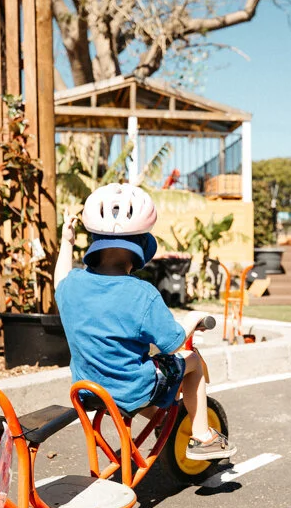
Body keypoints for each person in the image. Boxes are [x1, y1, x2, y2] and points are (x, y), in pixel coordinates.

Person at [54, 183, 236, 461]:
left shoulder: (72, 285)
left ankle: (163, 421)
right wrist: (192, 319)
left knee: (136, 364)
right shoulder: (142, 294)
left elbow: (60, 279)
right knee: (190, 362)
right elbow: (173, 344)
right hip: (130, 388)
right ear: (139, 249)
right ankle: (202, 436)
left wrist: (66, 241)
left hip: (87, 389)